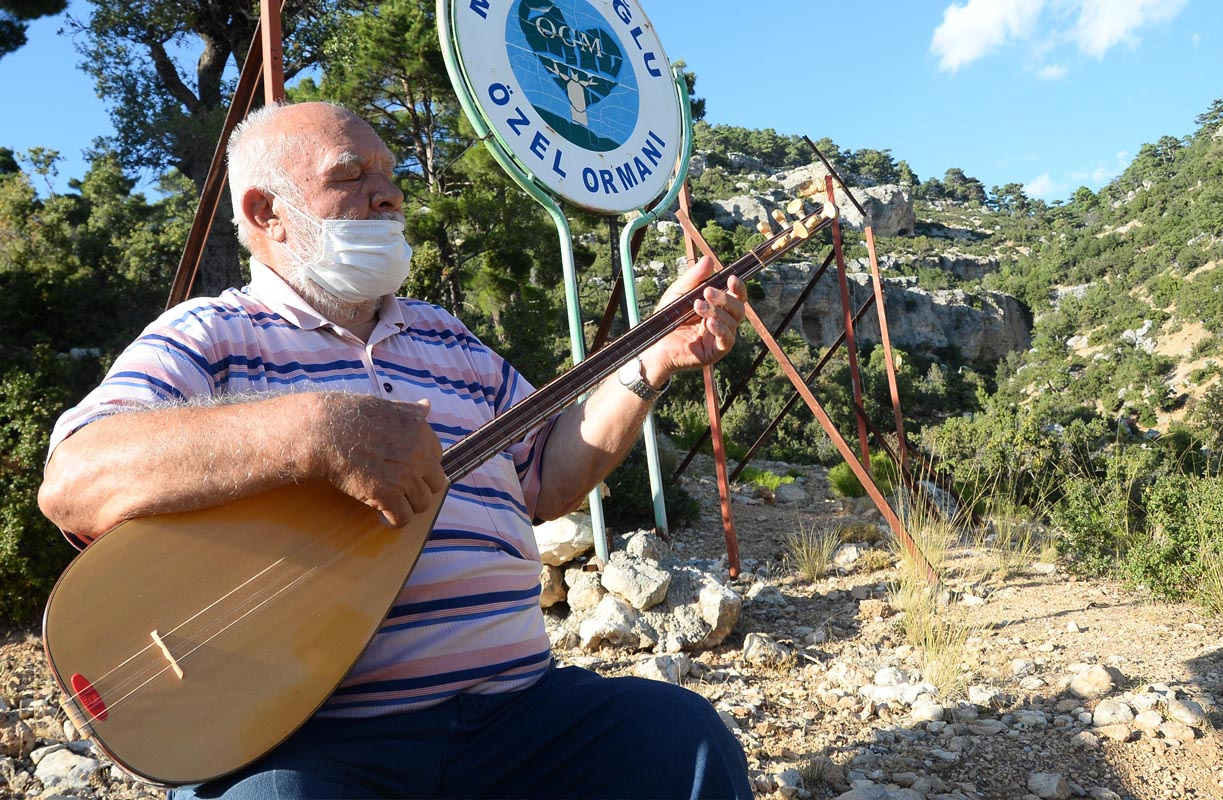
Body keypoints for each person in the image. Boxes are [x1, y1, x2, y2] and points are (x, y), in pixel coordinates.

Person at [38, 101, 752, 799]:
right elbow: (75, 476)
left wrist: (652, 359)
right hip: (310, 741)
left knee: (683, 739)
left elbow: (547, 479)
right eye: (351, 175)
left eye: (390, 173)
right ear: (266, 213)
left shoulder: (449, 340)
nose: (388, 193)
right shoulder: (212, 334)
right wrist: (312, 432)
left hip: (519, 717)